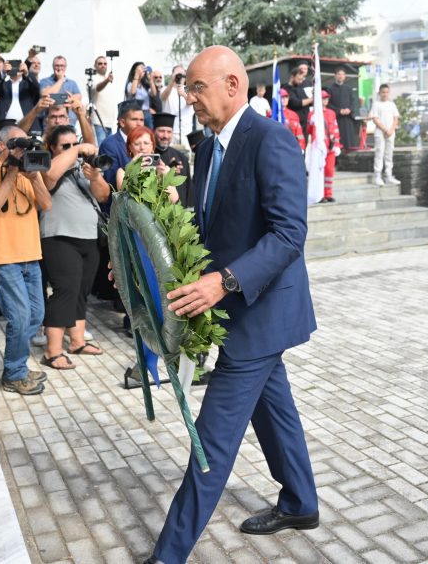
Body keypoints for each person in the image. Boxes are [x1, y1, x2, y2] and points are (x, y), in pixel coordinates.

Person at [142, 45, 318, 564]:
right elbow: (207, 234)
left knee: (212, 442)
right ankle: (301, 502)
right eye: (188, 89)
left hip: (261, 312)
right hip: (236, 310)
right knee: (274, 409)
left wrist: (225, 282)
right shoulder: (205, 149)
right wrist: (146, 262)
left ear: (233, 85)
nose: (190, 98)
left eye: (198, 87)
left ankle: (168, 555)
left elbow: (289, 234)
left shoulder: (270, 139)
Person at [0, 126, 53, 393]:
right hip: (3, 256)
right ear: (1, 146)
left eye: (26, 144)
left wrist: (32, 177)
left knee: (36, 315)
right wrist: (12, 171)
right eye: (17, 144)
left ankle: (17, 365)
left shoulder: (30, 168)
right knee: (19, 317)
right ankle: (14, 373)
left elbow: (47, 204)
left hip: (31, 255)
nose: (23, 150)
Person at [38, 125, 111, 370]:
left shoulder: (83, 167)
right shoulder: (48, 164)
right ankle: (52, 351)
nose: (72, 150)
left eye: (74, 143)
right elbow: (49, 178)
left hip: (88, 237)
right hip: (59, 236)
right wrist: (78, 148)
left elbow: (103, 196)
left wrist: (95, 177)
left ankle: (77, 341)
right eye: (65, 146)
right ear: (52, 148)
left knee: (81, 290)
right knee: (65, 290)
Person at [115, 127, 180, 205]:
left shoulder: (164, 169)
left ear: (152, 146)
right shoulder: (122, 172)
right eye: (137, 144)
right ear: (130, 147)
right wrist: (132, 171)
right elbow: (124, 198)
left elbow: (173, 200)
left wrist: (163, 177)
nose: (142, 147)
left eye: (146, 143)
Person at [100, 99, 145, 193]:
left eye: (141, 120)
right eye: (134, 119)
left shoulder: (146, 141)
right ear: (122, 122)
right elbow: (111, 182)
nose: (139, 124)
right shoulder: (109, 145)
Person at [153, 113, 194, 208]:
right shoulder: (148, 156)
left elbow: (189, 190)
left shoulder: (181, 158)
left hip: (179, 211)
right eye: (161, 131)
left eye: (169, 132)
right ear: (154, 131)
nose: (165, 136)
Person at [312, 91, 342, 203]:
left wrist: (337, 145)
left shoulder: (331, 113)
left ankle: (328, 194)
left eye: (326, 98)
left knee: (329, 171)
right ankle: (319, 195)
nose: (325, 101)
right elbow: (310, 131)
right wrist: (311, 122)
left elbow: (335, 129)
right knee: (320, 172)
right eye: (323, 98)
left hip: (330, 147)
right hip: (319, 149)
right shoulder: (313, 114)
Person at [368, 83, 399, 186]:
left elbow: (395, 119)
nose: (385, 94)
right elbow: (375, 119)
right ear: (379, 93)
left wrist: (391, 130)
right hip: (380, 132)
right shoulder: (376, 104)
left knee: (389, 154)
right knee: (379, 153)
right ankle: (378, 176)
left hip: (391, 132)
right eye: (383, 92)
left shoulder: (392, 104)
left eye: (386, 92)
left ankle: (389, 175)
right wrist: (385, 129)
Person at [325, 67, 358, 151]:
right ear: (335, 76)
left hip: (348, 119)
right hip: (336, 119)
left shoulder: (348, 89)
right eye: (339, 74)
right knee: (338, 141)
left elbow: (353, 102)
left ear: (345, 76)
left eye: (343, 74)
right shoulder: (330, 89)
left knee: (349, 142)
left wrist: (349, 109)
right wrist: (339, 111)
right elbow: (328, 104)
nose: (341, 76)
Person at [161, 65, 196, 140]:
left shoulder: (189, 89)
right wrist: (172, 81)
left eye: (181, 74)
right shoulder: (165, 88)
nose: (179, 76)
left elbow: (191, 102)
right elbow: (163, 97)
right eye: (177, 73)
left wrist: (183, 93)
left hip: (186, 131)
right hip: (170, 131)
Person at [91, 55, 121, 141]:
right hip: (98, 122)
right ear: (95, 66)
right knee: (101, 148)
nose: (103, 65)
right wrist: (107, 80)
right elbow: (97, 88)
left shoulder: (109, 80)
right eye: (100, 63)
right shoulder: (93, 78)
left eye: (105, 63)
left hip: (110, 123)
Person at [126, 61, 160, 129]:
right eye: (140, 69)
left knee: (149, 132)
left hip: (146, 113)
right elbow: (132, 92)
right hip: (136, 112)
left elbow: (154, 94)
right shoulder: (130, 84)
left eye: (143, 69)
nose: (142, 71)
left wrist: (150, 80)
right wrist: (137, 75)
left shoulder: (145, 85)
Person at [282, 63, 312, 129]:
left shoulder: (300, 88)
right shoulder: (286, 89)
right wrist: (312, 99)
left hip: (305, 123)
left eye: (302, 79)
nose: (301, 81)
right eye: (299, 79)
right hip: (293, 123)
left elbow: (308, 103)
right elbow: (296, 103)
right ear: (292, 77)